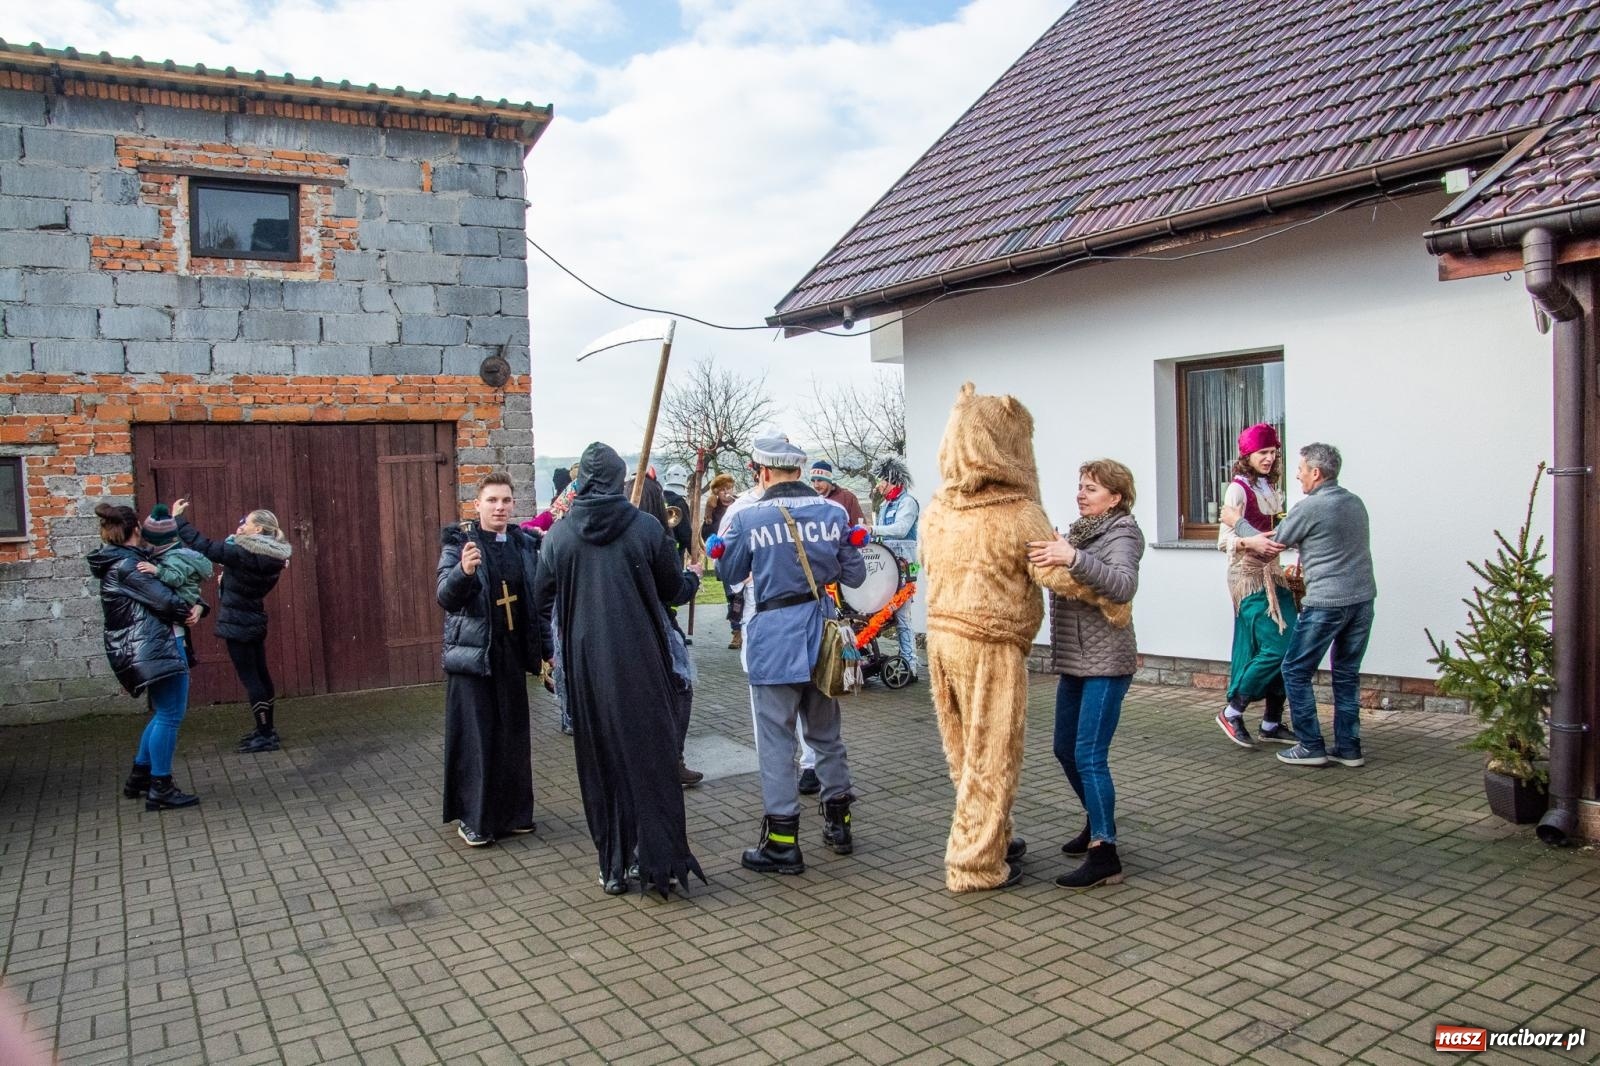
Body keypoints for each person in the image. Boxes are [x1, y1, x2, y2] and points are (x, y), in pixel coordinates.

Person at [923, 384, 1131, 891]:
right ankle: (975, 864)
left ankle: (995, 836)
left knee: (963, 753)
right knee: (991, 756)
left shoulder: (938, 509)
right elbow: (1055, 573)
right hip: (989, 644)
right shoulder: (1018, 511)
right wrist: (1112, 600)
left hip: (942, 639)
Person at [533, 442, 706, 897]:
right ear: (616, 479)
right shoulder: (646, 529)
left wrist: (554, 648)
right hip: (642, 664)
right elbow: (673, 589)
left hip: (587, 667)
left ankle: (612, 866)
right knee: (650, 762)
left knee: (601, 765)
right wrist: (695, 576)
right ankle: (659, 864)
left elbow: (541, 598)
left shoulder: (559, 536)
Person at [716, 435, 866, 875]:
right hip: (822, 635)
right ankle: (840, 825)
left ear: (761, 472)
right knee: (826, 736)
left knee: (778, 742)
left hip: (774, 639)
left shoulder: (747, 516)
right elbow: (854, 573)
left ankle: (782, 844)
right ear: (799, 471)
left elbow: (729, 575)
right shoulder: (834, 512)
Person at [1027, 459, 1143, 889]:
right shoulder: (1080, 531)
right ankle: (1097, 823)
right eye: (1080, 486)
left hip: (1108, 661)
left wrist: (1071, 557)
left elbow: (1123, 585)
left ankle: (1105, 851)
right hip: (1076, 659)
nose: (1081, 493)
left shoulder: (1123, 532)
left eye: (1091, 488)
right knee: (1064, 749)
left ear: (1115, 497)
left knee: (1090, 755)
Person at [1227, 442, 1375, 768]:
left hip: (1327, 603)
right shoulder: (1355, 503)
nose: (1298, 475)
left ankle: (1311, 745)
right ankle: (1349, 749)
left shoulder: (1310, 507)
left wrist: (1236, 522)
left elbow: (1269, 546)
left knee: (1294, 669)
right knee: (1347, 675)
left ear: (1316, 473)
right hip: (1363, 601)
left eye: (1302, 469)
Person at [436, 472, 544, 847]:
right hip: (474, 659)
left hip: (510, 657)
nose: (500, 507)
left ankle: (514, 815)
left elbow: (536, 605)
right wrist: (463, 572)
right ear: (477, 504)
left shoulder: (522, 543)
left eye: (506, 501)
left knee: (513, 737)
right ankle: (475, 819)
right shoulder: (459, 544)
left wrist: (546, 653)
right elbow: (446, 597)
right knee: (478, 740)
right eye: (492, 501)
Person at [89, 501, 204, 810]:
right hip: (158, 648)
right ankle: (161, 788)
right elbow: (167, 602)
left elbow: (168, 593)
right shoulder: (128, 566)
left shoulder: (124, 560)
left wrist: (198, 606)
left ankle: (140, 776)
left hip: (151, 648)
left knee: (163, 712)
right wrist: (192, 610)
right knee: (170, 715)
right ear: (136, 529)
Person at [172, 498, 292, 753]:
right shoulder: (270, 556)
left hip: (238, 623)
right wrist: (227, 581)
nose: (241, 526)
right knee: (261, 675)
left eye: (245, 522)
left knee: (252, 679)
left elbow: (203, 545)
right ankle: (266, 729)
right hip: (253, 618)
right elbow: (245, 582)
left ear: (258, 529)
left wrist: (179, 520)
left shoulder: (242, 552)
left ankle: (265, 734)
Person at [1215, 424, 1299, 748]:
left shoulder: (1270, 486)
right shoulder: (1237, 490)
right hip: (1248, 577)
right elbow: (1224, 541)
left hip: (1274, 573)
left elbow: (1275, 528)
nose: (1269, 457)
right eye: (1262, 452)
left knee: (1291, 643)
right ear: (1247, 454)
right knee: (1277, 644)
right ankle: (1232, 711)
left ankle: (1272, 721)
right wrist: (1252, 543)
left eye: (1272, 452)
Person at [134, 503, 213, 666]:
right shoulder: (168, 555)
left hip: (172, 634)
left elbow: (176, 581)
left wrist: (199, 605)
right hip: (166, 633)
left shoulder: (169, 559)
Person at [871, 455, 921, 679]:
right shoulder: (884, 506)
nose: (878, 485)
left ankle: (910, 665)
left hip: (905, 567)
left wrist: (872, 530)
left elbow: (901, 529)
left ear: (892, 479)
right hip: (887, 567)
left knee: (902, 616)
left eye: (881, 480)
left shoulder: (907, 502)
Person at [809, 460, 864, 525]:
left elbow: (861, 527)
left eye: (820, 480)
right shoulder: (812, 500)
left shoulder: (847, 498)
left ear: (828, 480)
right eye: (813, 481)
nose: (816, 485)